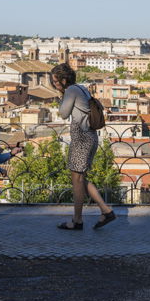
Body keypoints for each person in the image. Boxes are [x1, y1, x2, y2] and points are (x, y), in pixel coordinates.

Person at [54, 63, 116, 230]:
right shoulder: (81, 88)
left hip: (81, 138)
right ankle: (105, 210)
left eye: (55, 81)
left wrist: (61, 96)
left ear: (63, 80)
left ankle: (77, 221)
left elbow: (64, 113)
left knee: (77, 180)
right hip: (90, 137)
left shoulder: (71, 91)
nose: (54, 84)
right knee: (81, 179)